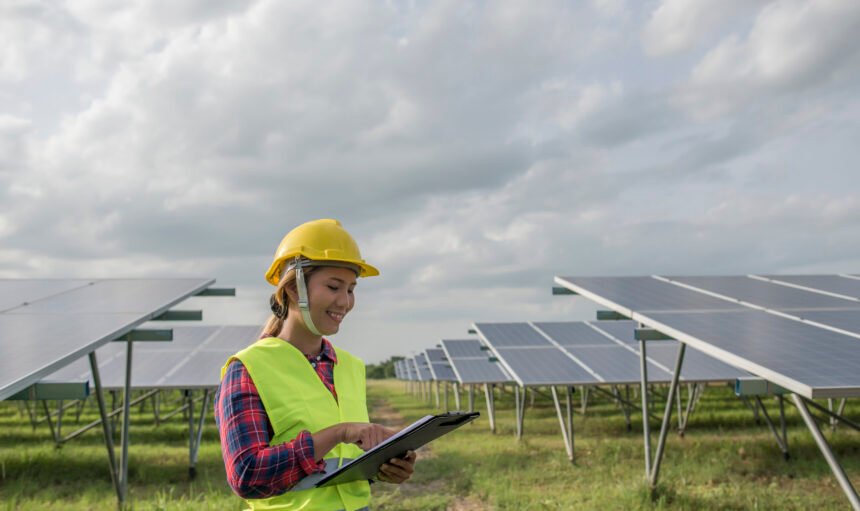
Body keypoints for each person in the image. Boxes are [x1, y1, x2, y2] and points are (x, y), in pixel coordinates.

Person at [215, 218, 417, 511]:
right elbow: (246, 475)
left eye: (350, 289)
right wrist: (340, 433)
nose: (345, 302)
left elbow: (343, 466)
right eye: (334, 287)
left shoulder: (349, 366)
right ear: (294, 289)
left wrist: (387, 466)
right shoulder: (249, 368)